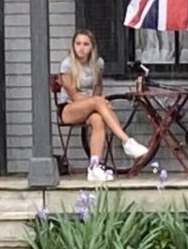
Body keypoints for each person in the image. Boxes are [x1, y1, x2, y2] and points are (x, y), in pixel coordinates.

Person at [56, 29, 149, 182]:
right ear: (73, 46)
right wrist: (98, 102)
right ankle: (126, 141)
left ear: (92, 47)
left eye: (86, 44)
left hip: (91, 106)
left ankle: (94, 167)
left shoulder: (98, 63)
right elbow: (74, 95)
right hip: (69, 108)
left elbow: (98, 88)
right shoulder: (67, 64)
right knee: (99, 102)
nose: (81, 48)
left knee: (98, 119)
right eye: (78, 44)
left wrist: (97, 103)